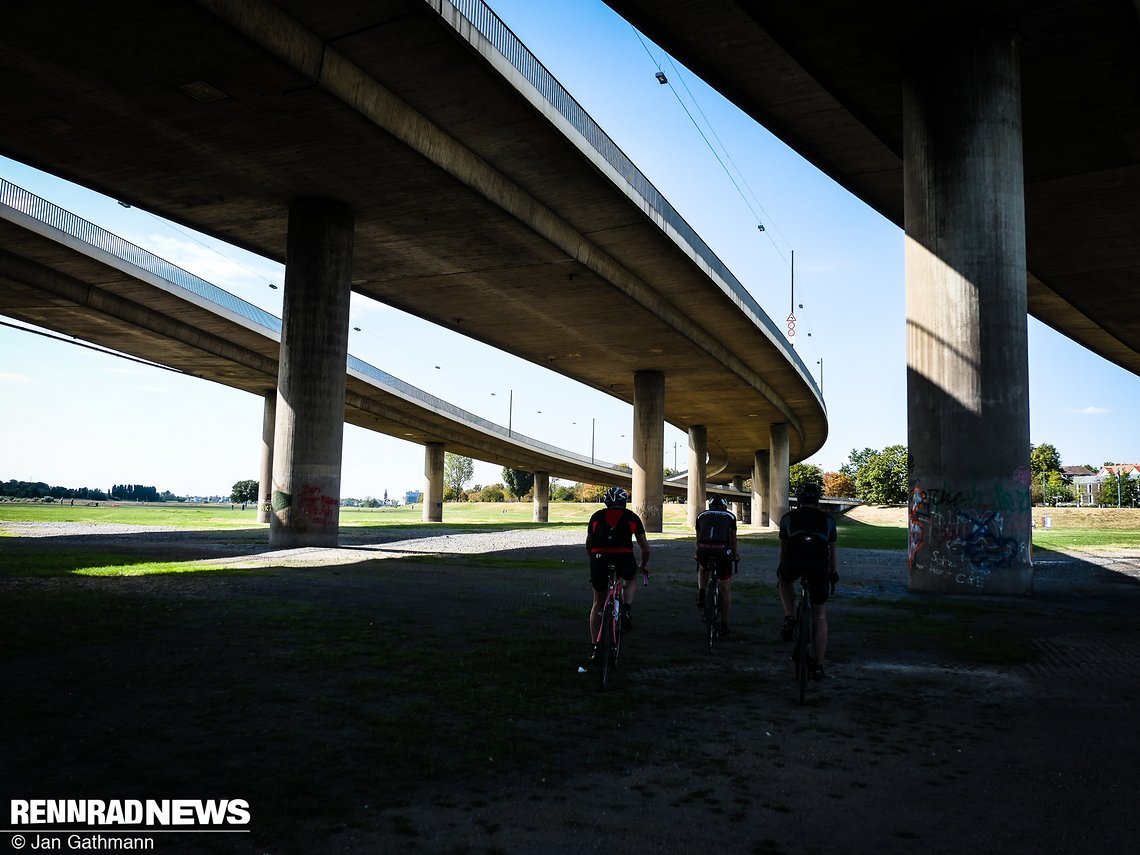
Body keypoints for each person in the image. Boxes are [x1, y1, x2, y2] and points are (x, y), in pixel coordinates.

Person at [579, 486, 650, 672]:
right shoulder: (632, 517)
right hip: (624, 557)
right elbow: (645, 548)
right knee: (631, 579)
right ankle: (626, 608)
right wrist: (643, 564)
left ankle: (595, 646)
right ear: (624, 502)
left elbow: (588, 545)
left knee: (597, 602)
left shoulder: (596, 516)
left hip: (598, 558)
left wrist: (594, 561)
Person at [777, 483, 839, 680]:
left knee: (784, 580)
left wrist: (784, 566)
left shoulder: (788, 518)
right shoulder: (828, 520)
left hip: (794, 561)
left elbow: (783, 550)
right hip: (819, 564)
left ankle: (789, 616)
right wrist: (833, 572)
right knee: (820, 615)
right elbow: (832, 552)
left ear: (799, 501)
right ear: (817, 501)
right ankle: (819, 666)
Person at [695, 495, 739, 634]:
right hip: (722, 550)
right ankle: (724, 624)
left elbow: (699, 534)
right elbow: (732, 537)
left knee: (703, 568)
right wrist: (734, 553)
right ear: (725, 506)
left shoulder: (701, 515)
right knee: (725, 588)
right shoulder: (730, 516)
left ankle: (702, 592)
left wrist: (698, 550)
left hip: (703, 549)